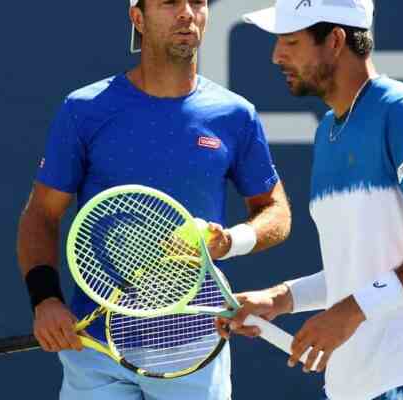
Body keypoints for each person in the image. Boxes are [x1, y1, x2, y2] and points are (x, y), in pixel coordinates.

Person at [15, 0, 291, 399]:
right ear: (137, 17)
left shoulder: (235, 115)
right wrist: (45, 299)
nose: (186, 13)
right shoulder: (84, 110)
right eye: (169, 3)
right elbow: (41, 215)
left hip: (196, 342)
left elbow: (275, 210)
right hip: (94, 349)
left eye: (197, 2)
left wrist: (229, 241)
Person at [219, 1, 403, 399]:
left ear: (335, 40)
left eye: (291, 41)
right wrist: (281, 299)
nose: (277, 55)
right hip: (355, 388)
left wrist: (351, 311)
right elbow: (363, 270)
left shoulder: (400, 112)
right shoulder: (328, 132)